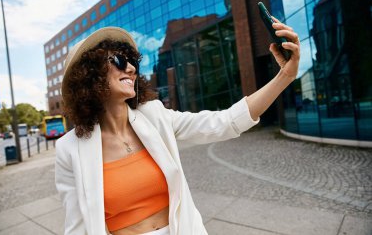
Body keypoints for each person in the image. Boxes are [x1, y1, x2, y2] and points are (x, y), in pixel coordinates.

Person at [55, 18, 300, 235]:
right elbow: (78, 228)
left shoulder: (154, 115)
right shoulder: (69, 149)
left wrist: (285, 77)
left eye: (131, 62)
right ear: (90, 75)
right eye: (118, 60)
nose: (130, 67)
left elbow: (224, 121)